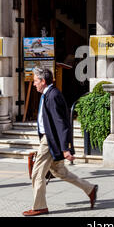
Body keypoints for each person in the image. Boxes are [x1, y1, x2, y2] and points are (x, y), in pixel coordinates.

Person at [23, 67, 98, 216]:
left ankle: (39, 207)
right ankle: (90, 189)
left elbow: (61, 123)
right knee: (60, 172)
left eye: (36, 81)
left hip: (50, 141)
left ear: (43, 81)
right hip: (49, 139)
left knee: (38, 174)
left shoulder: (53, 95)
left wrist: (65, 148)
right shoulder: (48, 94)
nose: (34, 83)